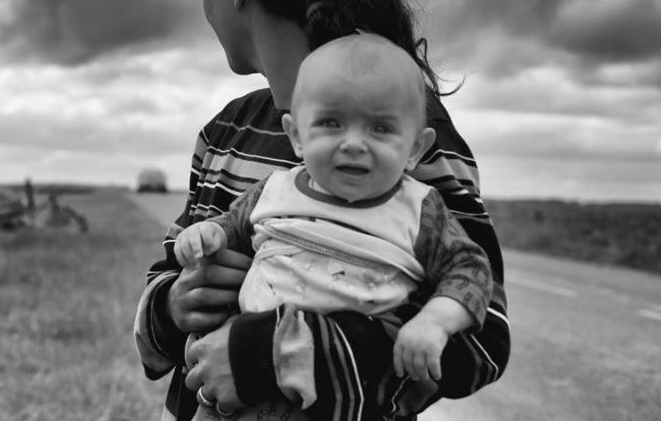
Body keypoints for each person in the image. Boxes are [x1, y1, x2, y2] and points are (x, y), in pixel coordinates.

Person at [134, 0, 510, 421]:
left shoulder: (406, 132)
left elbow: (482, 341)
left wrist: (265, 355)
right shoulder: (225, 133)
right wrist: (173, 304)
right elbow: (167, 273)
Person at [173, 34, 494, 420]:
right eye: (330, 122)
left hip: (345, 398)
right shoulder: (274, 190)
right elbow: (231, 225)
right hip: (237, 396)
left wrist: (434, 322)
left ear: (414, 149)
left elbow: (471, 271)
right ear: (296, 135)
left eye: (380, 128)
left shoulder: (420, 210)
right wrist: (206, 234)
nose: (354, 143)